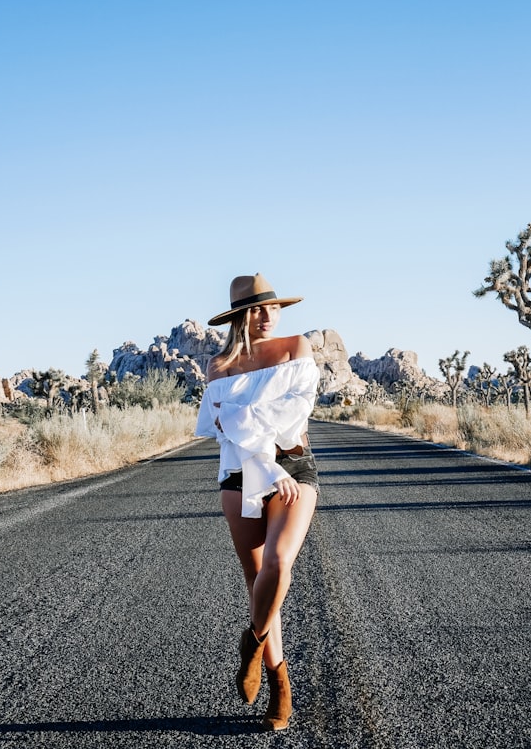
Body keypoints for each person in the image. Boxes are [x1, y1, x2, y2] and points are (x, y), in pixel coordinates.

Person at [194, 273, 320, 732]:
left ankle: (253, 642)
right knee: (257, 585)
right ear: (238, 317)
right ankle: (278, 682)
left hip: (296, 469)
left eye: (272, 308)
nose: (267, 317)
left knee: (279, 564)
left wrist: (245, 418)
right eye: (255, 311)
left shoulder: (296, 348)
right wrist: (267, 465)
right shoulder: (219, 367)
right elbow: (224, 428)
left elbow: (295, 412)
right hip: (239, 475)